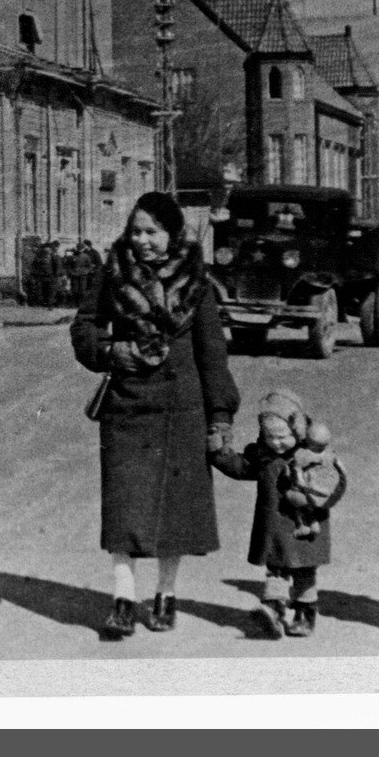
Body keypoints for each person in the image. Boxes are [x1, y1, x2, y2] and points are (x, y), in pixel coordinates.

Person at [71, 191, 241, 640]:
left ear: (172, 234)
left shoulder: (197, 283)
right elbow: (84, 326)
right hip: (128, 407)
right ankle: (123, 599)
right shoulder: (114, 273)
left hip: (181, 411)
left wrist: (220, 415)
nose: (142, 240)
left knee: (174, 511)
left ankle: (166, 594)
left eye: (152, 232)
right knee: (124, 507)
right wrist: (112, 351)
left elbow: (212, 354)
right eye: (136, 231)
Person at [210, 390, 346, 638]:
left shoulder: (312, 456)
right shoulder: (263, 456)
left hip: (303, 526)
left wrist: (314, 498)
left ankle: (305, 612)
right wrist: (219, 454)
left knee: (304, 571)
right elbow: (241, 468)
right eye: (270, 436)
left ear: (297, 430)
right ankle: (273, 609)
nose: (276, 443)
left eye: (282, 437)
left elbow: (333, 483)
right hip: (274, 525)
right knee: (276, 568)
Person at [67, 238, 102, 311]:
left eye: (81, 248)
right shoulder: (73, 256)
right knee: (75, 290)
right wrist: (71, 272)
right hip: (75, 275)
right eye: (78, 248)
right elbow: (69, 265)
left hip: (85, 276)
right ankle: (75, 304)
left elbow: (92, 266)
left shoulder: (89, 255)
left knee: (83, 291)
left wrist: (87, 271)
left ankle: (82, 305)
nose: (80, 249)